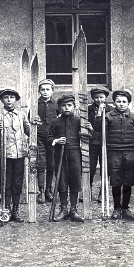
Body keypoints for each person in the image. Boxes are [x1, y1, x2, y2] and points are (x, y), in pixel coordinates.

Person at [48, 94, 92, 222]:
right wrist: (56, 140)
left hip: (75, 153)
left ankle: (73, 210)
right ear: (60, 107)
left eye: (69, 105)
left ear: (74, 106)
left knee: (75, 180)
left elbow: (88, 137)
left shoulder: (79, 121)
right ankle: (63, 209)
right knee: (61, 181)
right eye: (63, 106)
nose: (66, 108)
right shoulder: (55, 122)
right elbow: (48, 138)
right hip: (60, 154)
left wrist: (90, 129)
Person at [0, 88, 31, 223]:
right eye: (6, 97)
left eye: (12, 97)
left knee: (17, 182)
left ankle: (16, 209)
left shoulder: (21, 115)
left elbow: (29, 130)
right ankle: (6, 209)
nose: (9, 100)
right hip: (5, 155)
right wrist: (0, 132)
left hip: (19, 154)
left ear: (16, 99)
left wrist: (34, 125)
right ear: (2, 100)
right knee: (6, 183)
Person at [102, 90, 134, 221]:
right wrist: (99, 117)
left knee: (128, 181)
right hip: (113, 151)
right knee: (116, 181)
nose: (121, 104)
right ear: (114, 103)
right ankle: (116, 208)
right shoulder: (108, 116)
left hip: (130, 151)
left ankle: (125, 208)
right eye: (118, 101)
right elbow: (100, 131)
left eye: (124, 102)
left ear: (129, 103)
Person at [87, 86, 113, 202]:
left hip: (106, 142)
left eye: (101, 97)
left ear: (106, 97)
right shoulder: (88, 109)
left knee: (105, 168)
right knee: (90, 167)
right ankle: (88, 191)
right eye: (96, 97)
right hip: (92, 142)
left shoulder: (111, 110)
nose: (99, 100)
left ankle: (102, 193)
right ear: (92, 98)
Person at [36, 79, 58, 204]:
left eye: (47, 89)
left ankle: (48, 190)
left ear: (52, 91)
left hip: (52, 138)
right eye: (42, 89)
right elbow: (29, 119)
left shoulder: (56, 105)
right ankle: (41, 190)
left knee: (51, 165)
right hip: (39, 137)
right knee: (40, 164)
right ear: (39, 91)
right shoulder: (35, 104)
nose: (45, 92)